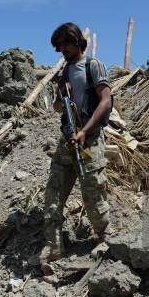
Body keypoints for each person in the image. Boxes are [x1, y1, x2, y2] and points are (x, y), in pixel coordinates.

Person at [35, 22, 112, 276]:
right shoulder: (65, 73)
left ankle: (105, 237)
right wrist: (61, 98)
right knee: (54, 192)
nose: (61, 52)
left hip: (89, 138)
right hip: (67, 140)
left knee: (92, 190)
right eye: (58, 48)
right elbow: (59, 108)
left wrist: (85, 130)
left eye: (64, 46)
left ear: (76, 41)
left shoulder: (93, 66)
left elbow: (105, 101)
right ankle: (54, 246)